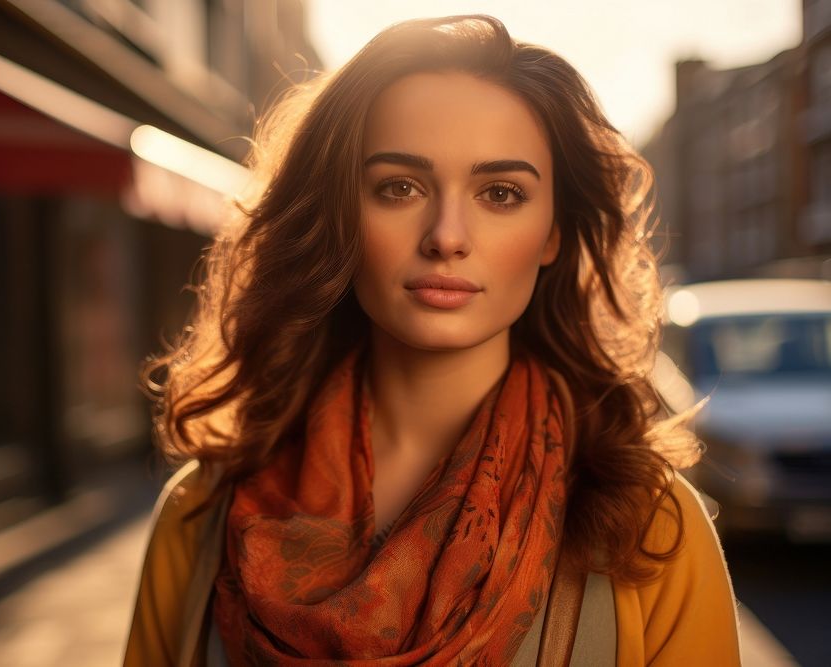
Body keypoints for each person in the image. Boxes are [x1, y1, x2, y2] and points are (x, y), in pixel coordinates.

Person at [124, 14, 740, 666]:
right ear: (339, 213)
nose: (447, 235)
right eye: (399, 187)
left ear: (553, 232)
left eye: (501, 192)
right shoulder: (200, 518)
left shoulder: (650, 529)